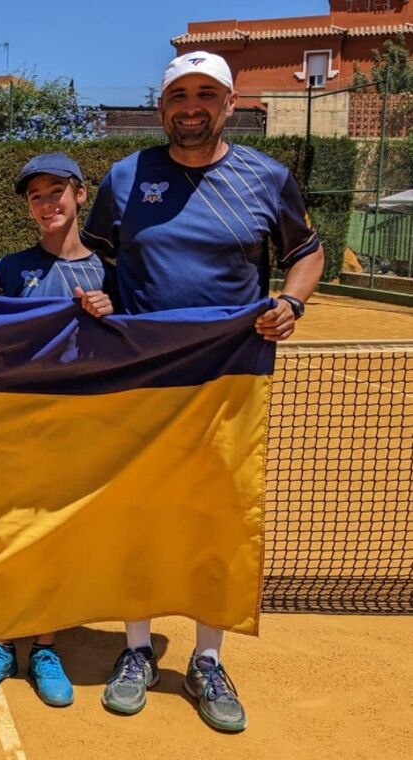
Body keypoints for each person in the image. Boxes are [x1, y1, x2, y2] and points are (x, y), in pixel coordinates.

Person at [81, 51, 324, 733]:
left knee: (218, 518)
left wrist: (293, 306)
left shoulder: (266, 178)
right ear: (161, 107)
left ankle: (208, 659)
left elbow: (307, 252)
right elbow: (91, 254)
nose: (192, 105)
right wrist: (96, 292)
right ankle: (135, 650)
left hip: (230, 382)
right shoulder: (126, 178)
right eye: (179, 94)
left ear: (231, 102)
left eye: (206, 94)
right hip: (141, 380)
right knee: (141, 513)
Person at [0, 152, 111, 704]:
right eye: (36, 196)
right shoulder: (13, 268)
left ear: (80, 194)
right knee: (5, 530)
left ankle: (44, 645)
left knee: (51, 536)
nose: (47, 204)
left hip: (77, 424)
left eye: (56, 191)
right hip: (15, 421)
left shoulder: (109, 269)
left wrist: (110, 309)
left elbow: (137, 333)